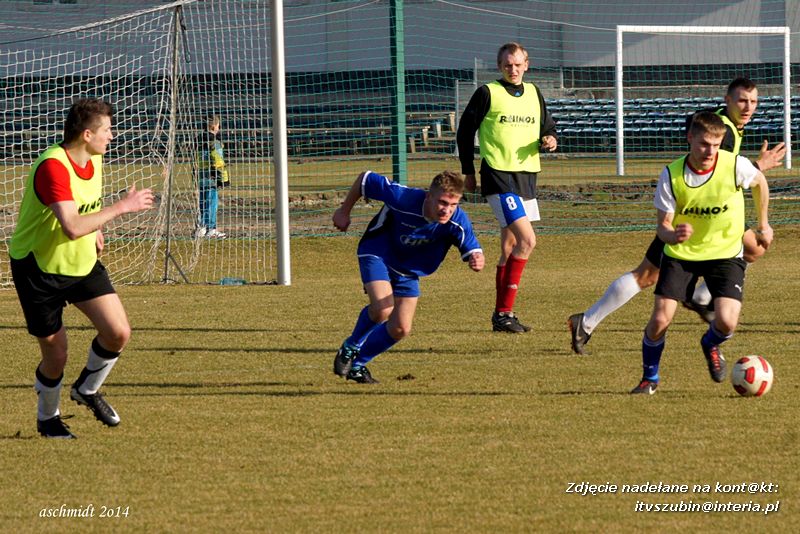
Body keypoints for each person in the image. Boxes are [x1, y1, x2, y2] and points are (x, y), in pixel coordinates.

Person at [568, 77, 785, 354]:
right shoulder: (725, 132)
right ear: (727, 100)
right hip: (690, 222)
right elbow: (716, 172)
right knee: (646, 276)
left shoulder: (721, 122)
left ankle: (700, 296)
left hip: (702, 219)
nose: (748, 107)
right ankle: (698, 298)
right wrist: (758, 166)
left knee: (750, 249)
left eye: (754, 101)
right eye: (742, 100)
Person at [8, 98, 155, 438]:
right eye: (107, 130)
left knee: (118, 332)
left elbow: (84, 207)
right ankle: (48, 420)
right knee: (56, 352)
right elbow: (72, 225)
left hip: (81, 262)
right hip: (39, 269)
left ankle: (87, 389)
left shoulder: (93, 158)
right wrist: (121, 208)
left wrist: (98, 227)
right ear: (87, 134)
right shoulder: (53, 167)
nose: (113, 136)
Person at [630, 111, 771, 394]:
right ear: (690, 138)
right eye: (705, 143)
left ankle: (710, 343)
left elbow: (760, 183)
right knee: (660, 319)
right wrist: (674, 234)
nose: (710, 151)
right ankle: (650, 379)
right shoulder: (672, 174)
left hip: (726, 254)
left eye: (716, 145)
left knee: (727, 321)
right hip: (682, 255)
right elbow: (663, 228)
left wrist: (763, 223)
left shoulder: (734, 165)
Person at [331, 170, 484, 383]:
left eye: (453, 204)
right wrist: (344, 211)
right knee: (383, 308)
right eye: (442, 202)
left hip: (408, 269)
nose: (446, 210)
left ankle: (357, 365)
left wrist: (477, 257)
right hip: (378, 252)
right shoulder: (403, 197)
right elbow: (365, 179)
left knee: (400, 328)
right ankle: (351, 347)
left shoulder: (457, 219)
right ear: (428, 196)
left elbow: (471, 245)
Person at [456, 42, 557, 333]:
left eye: (517, 64)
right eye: (507, 65)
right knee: (528, 241)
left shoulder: (534, 93)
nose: (512, 70)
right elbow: (465, 132)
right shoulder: (488, 92)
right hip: (498, 175)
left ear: (527, 64)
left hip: (526, 175)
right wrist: (468, 172)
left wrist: (550, 139)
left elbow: (547, 127)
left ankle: (503, 316)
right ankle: (503, 313)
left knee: (510, 246)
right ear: (499, 66)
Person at [195, 114, 229, 238]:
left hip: (200, 175)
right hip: (212, 176)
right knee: (212, 202)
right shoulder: (215, 142)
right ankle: (211, 229)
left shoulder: (198, 140)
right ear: (215, 126)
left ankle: (201, 228)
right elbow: (218, 161)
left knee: (202, 202)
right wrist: (224, 179)